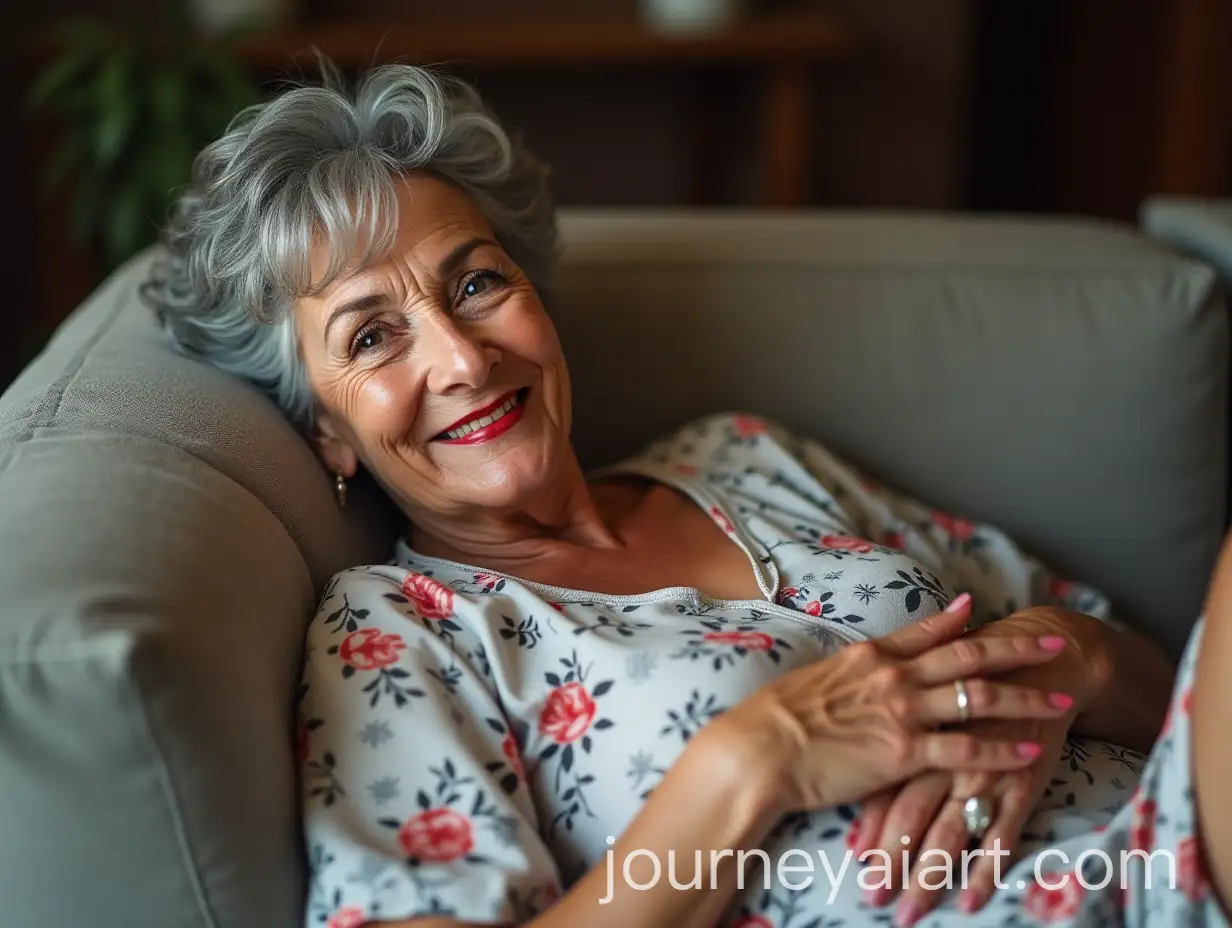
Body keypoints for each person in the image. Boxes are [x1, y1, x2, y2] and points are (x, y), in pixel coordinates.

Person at [140, 62, 1207, 928]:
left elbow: (1166, 678)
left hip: (1180, 840)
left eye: (475, 282)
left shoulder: (742, 456)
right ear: (327, 426)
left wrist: (1066, 661)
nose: (461, 358)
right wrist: (750, 761)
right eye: (374, 335)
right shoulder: (399, 633)